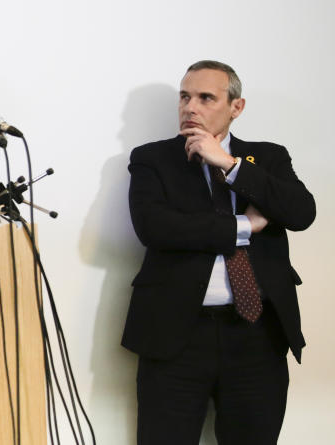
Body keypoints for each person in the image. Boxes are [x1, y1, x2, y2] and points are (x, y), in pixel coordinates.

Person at [122, 61, 315, 445]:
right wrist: (246, 226)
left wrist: (229, 164)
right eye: (185, 96)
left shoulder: (268, 158)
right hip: (176, 335)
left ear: (236, 107)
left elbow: (301, 213)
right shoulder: (153, 159)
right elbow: (155, 228)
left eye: (206, 98)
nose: (190, 107)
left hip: (257, 336)